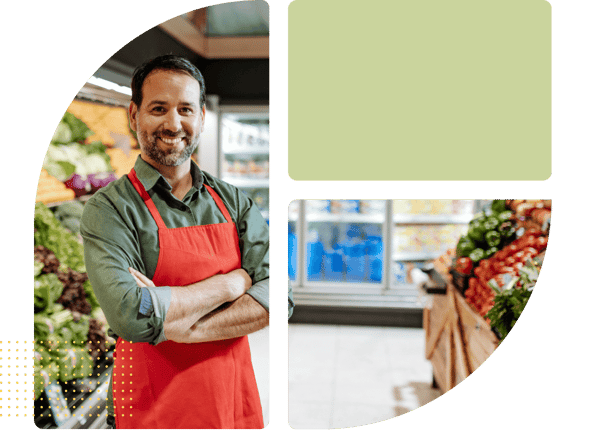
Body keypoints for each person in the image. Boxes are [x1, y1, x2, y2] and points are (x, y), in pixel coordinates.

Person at [80, 55, 270, 429]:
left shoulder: (234, 202)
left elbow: (276, 298)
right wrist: (231, 284)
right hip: (152, 406)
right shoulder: (109, 210)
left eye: (185, 109)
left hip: (231, 400)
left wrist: (177, 323)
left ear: (200, 116)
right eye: (158, 108)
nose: (173, 123)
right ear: (133, 115)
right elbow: (131, 315)